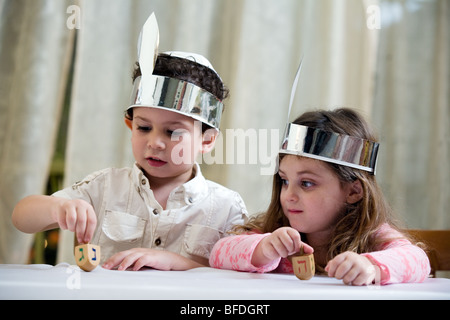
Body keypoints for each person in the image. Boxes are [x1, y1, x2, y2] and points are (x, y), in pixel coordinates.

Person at [12, 14, 247, 271]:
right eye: (144, 128)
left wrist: (179, 264)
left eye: (173, 133)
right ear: (129, 125)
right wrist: (59, 207)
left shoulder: (227, 208)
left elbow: (240, 277)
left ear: (207, 140)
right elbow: (21, 217)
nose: (155, 143)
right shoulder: (105, 187)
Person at [209, 108, 430, 285]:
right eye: (285, 181)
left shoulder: (372, 237)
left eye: (306, 183)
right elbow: (218, 253)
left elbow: (418, 260)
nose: (289, 196)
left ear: (353, 192)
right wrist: (264, 249)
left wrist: (371, 267)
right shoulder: (276, 235)